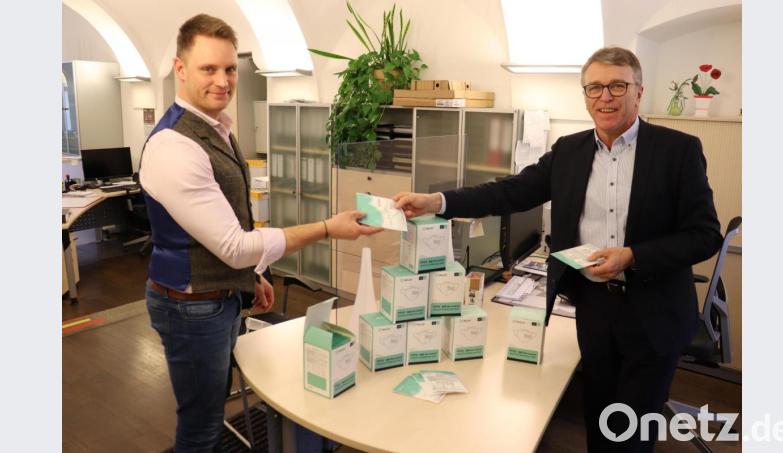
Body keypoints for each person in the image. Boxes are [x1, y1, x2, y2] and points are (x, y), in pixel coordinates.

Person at [394, 46, 721, 452]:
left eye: (618, 85)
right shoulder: (569, 150)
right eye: (595, 87)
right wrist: (438, 203)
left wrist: (632, 255)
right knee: (599, 418)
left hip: (654, 310)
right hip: (594, 307)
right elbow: (509, 193)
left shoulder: (679, 150)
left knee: (634, 430)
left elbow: (705, 234)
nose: (606, 96)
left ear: (639, 91)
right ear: (584, 95)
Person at [139, 14, 381, 452]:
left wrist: (251, 278)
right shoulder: (174, 146)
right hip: (189, 307)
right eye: (208, 69)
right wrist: (327, 228)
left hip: (216, 299)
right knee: (200, 426)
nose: (223, 80)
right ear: (180, 69)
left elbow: (227, 225)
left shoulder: (218, 129)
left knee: (208, 414)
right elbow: (233, 246)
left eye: (230, 69)